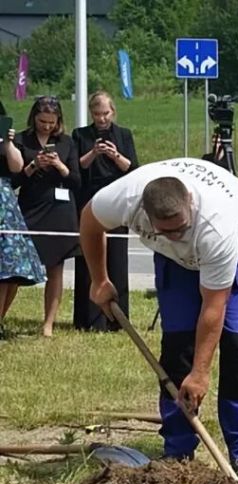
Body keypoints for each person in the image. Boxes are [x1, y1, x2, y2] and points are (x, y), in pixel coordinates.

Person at [79, 158, 238, 484]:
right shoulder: (124, 198)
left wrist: (200, 373)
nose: (176, 235)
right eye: (165, 231)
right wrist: (99, 280)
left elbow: (214, 306)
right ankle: (178, 451)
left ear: (190, 205)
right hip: (175, 263)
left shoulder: (216, 224)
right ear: (144, 214)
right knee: (177, 346)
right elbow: (90, 221)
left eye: (181, 228)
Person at [13, 96, 81, 337]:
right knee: (15, 269)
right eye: (42, 121)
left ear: (58, 121)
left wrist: (59, 166)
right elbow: (12, 181)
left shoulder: (67, 142)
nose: (46, 126)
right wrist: (33, 166)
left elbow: (76, 181)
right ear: (34, 118)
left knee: (55, 268)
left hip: (59, 210)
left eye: (51, 122)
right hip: (30, 207)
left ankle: (48, 324)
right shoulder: (21, 140)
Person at [72, 91, 139, 332]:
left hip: (117, 197)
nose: (101, 118)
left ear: (113, 112)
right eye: (97, 114)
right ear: (91, 113)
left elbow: (133, 168)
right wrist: (94, 152)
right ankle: (89, 318)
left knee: (117, 258)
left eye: (106, 113)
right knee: (89, 258)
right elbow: (76, 167)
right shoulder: (80, 135)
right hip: (90, 197)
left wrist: (114, 154)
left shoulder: (123, 135)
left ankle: (117, 319)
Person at [0, 101, 45, 339]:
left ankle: (1, 320)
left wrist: (7, 143)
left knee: (12, 270)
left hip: (5, 204)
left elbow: (17, 167)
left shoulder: (6, 141)